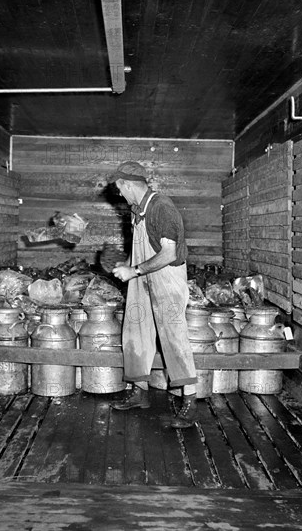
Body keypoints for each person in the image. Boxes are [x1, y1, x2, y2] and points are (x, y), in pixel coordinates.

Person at [108, 161, 198, 428]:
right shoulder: (138, 211)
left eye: (119, 188)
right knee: (135, 331)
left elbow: (168, 254)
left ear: (127, 184)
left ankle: (189, 403)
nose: (119, 194)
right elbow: (140, 248)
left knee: (173, 335)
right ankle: (139, 392)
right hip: (141, 279)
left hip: (166, 279)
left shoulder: (162, 208)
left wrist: (133, 270)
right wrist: (126, 265)